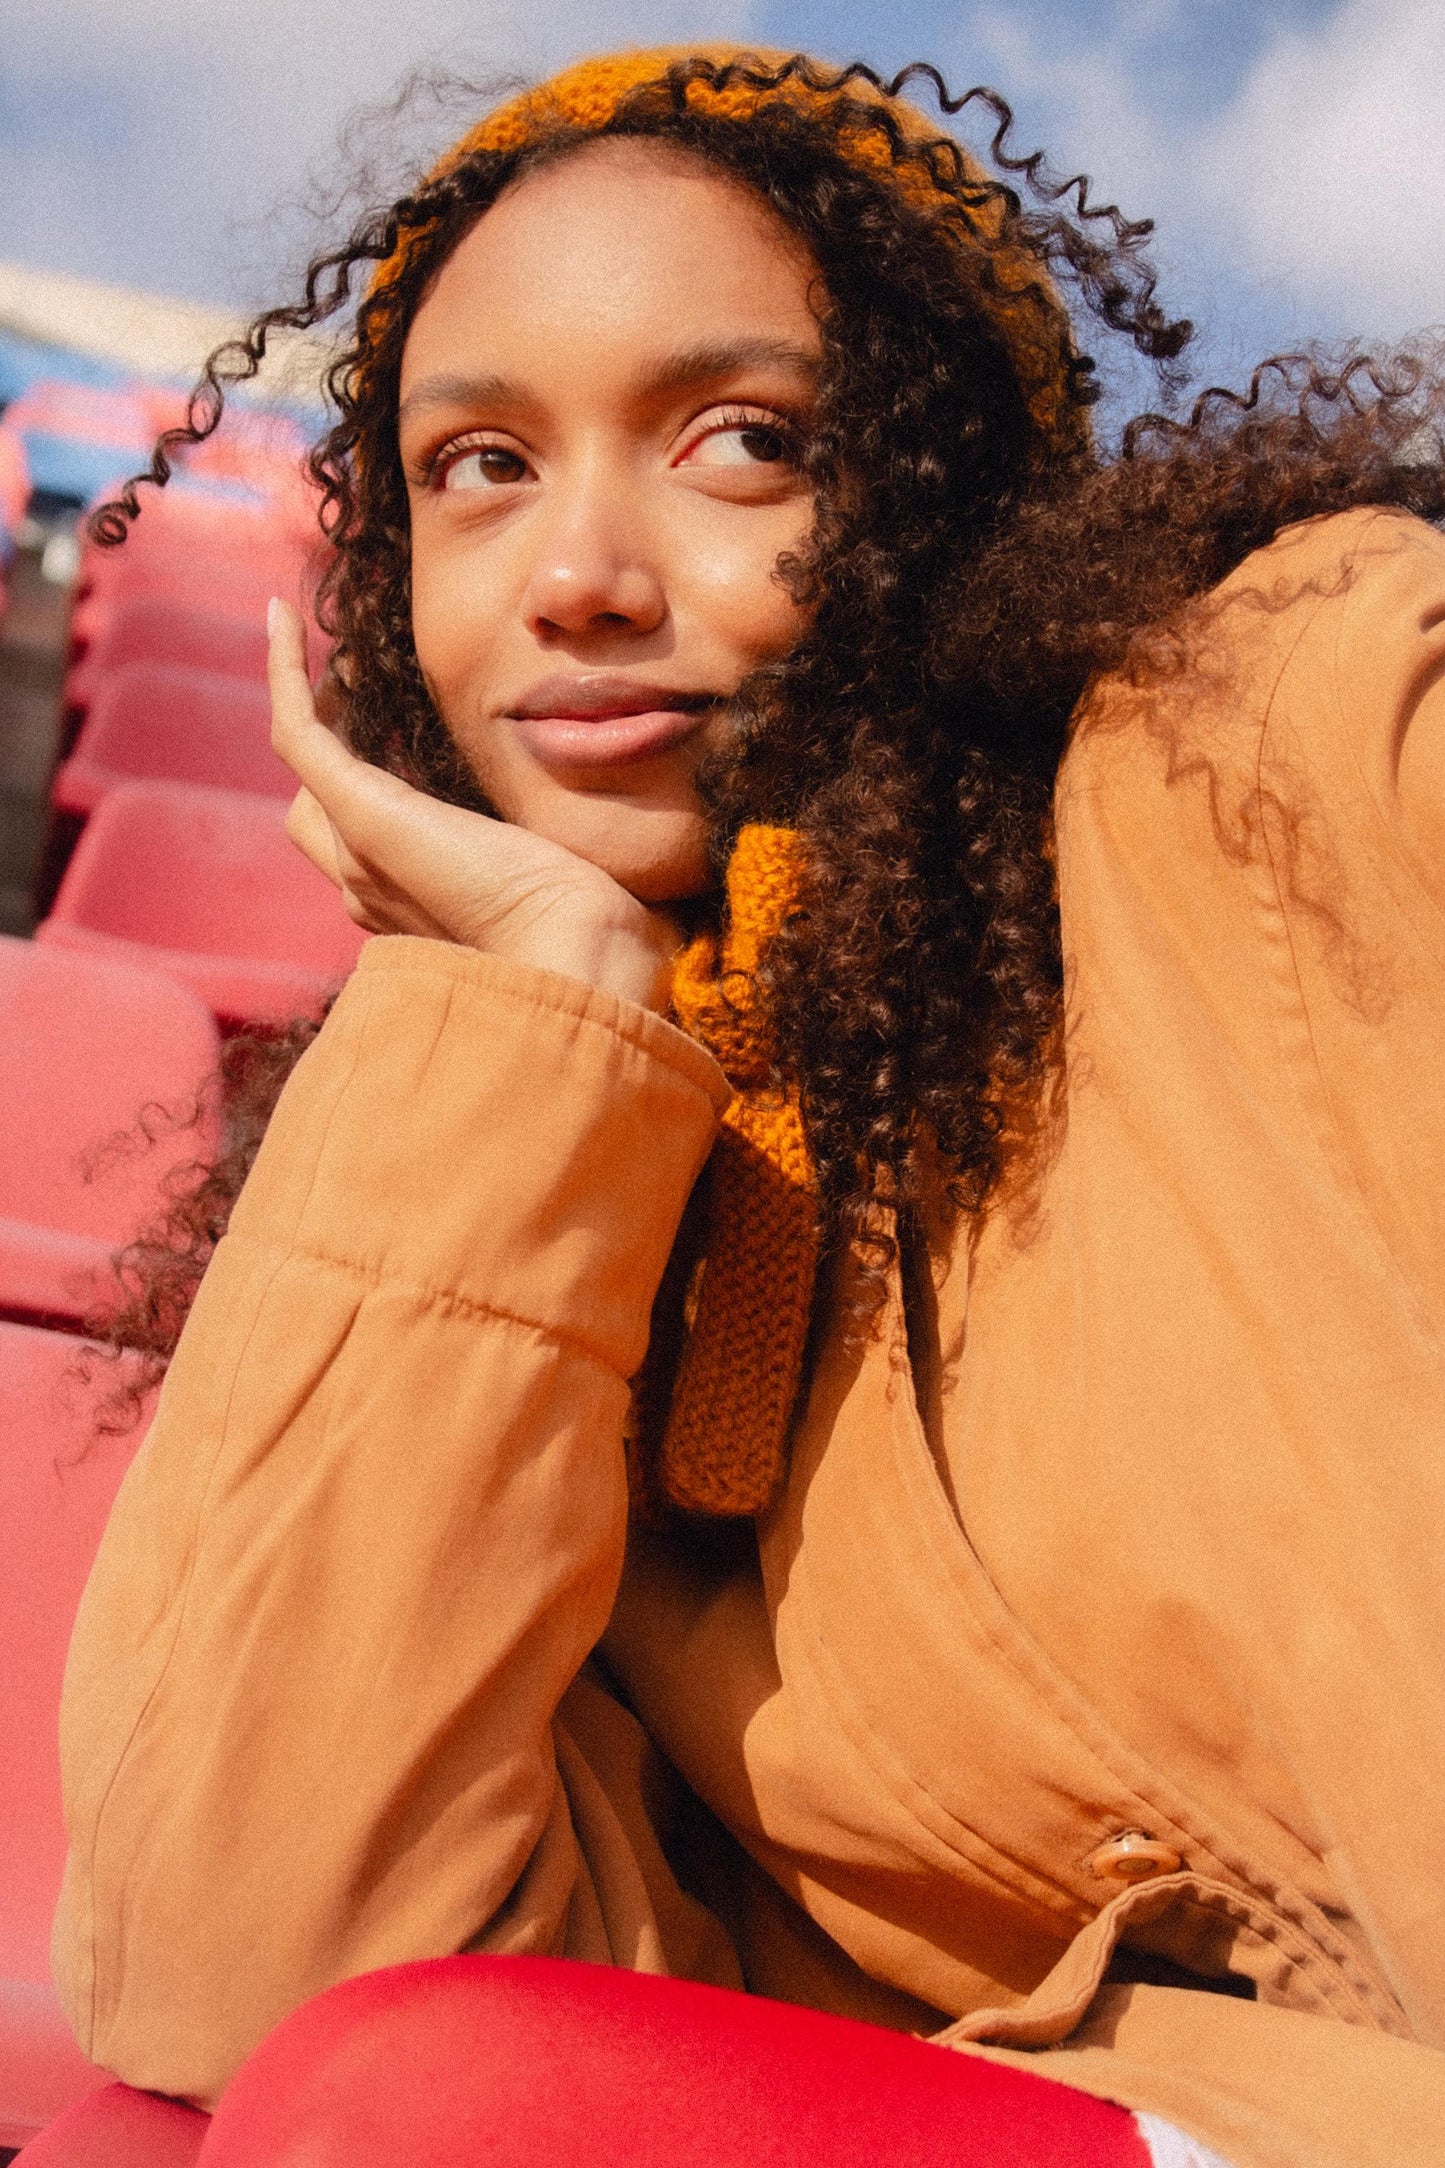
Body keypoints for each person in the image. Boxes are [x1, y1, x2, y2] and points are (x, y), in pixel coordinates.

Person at [44, 43, 1445, 2168]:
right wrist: (527, 1012)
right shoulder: (542, 1193)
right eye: (481, 467)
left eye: (741, 445)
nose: (581, 573)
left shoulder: (1275, 735)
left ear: (938, 485)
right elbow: (249, 1958)